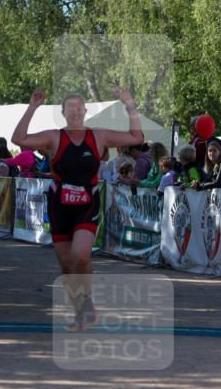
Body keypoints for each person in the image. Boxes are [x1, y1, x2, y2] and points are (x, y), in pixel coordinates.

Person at [12, 87, 144, 330]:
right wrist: (32, 107)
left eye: (78, 107)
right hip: (59, 204)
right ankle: (83, 311)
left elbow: (137, 138)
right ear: (63, 113)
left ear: (85, 111)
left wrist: (130, 106)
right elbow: (18, 139)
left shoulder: (99, 136)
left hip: (87, 201)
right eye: (69, 107)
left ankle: (87, 305)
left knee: (81, 255)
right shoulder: (54, 137)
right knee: (66, 265)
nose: (74, 111)